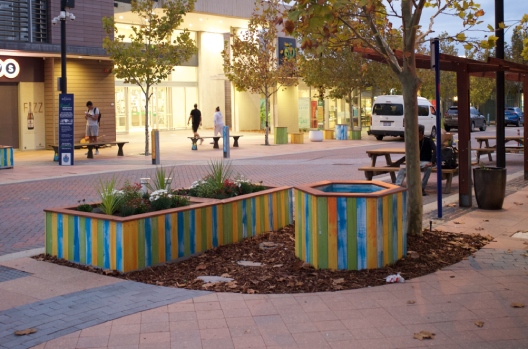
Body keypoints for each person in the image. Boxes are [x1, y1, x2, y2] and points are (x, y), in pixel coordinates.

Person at [394, 124, 436, 196]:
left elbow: (435, 150)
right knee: (402, 170)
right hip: (414, 162)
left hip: (425, 162)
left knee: (428, 168)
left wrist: (432, 162)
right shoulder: (412, 141)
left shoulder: (428, 140)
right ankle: (396, 188)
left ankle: (421, 188)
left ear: (420, 132)